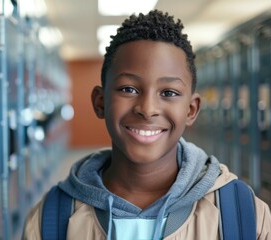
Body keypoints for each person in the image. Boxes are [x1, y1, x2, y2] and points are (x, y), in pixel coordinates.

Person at [22, 9, 271, 239]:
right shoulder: (49, 220)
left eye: (169, 93)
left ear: (191, 110)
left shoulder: (244, 216)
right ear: (100, 102)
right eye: (128, 89)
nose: (148, 109)